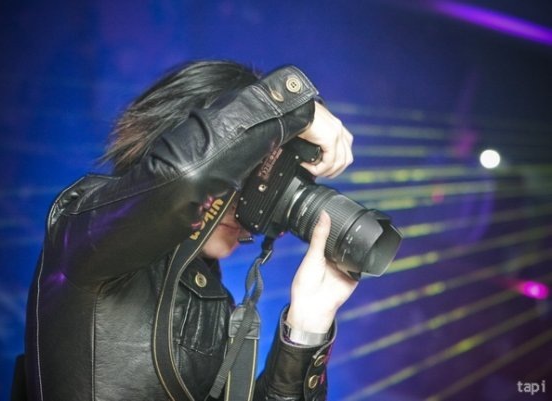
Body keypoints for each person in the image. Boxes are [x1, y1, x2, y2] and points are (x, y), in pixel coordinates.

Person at [22, 60, 357, 401]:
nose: (248, 202)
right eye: (240, 174)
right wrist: (290, 106)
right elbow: (182, 180)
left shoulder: (213, 299)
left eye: (265, 185)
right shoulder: (89, 229)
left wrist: (305, 329)